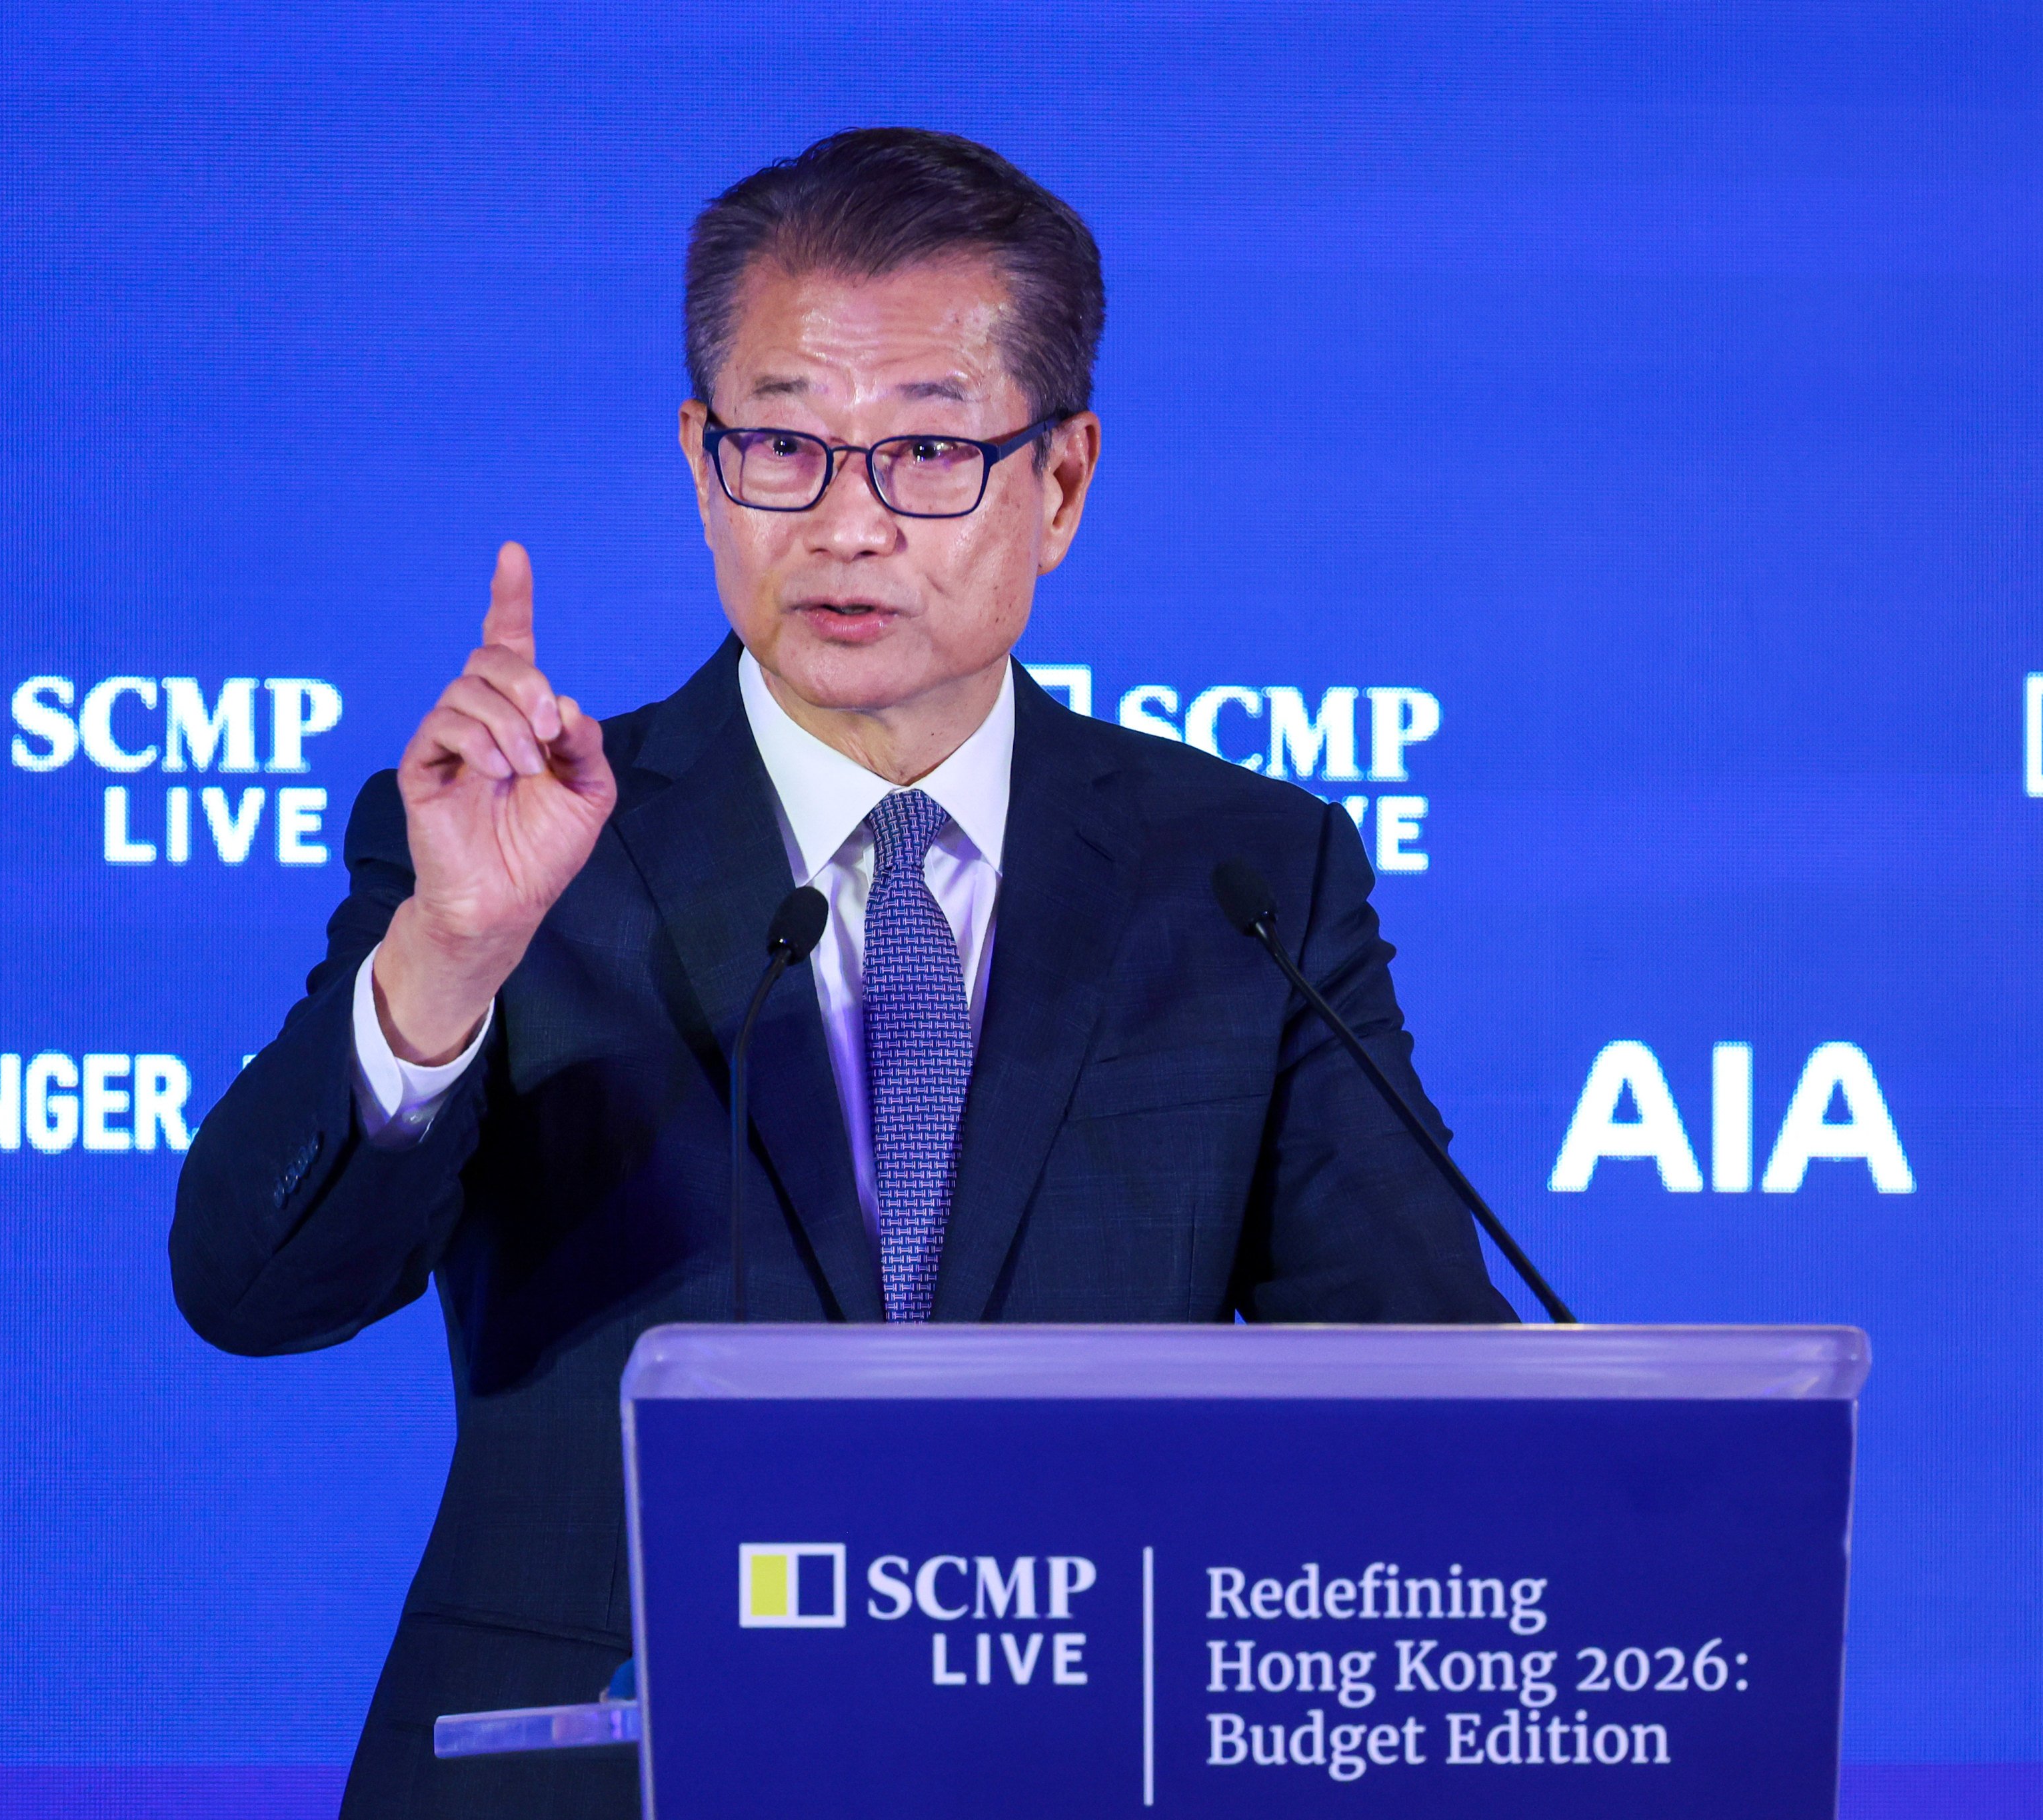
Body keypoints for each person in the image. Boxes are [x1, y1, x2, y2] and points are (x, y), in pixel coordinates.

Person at [171, 127, 1516, 1819]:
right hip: (599, 1772)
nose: (847, 523)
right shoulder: (516, 848)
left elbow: (1420, 1392)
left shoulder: (1242, 876)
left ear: (1062, 480)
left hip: (1071, 1766)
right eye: (783, 446)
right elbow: (251, 1293)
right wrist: (451, 951)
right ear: (701, 460)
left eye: (929, 450)